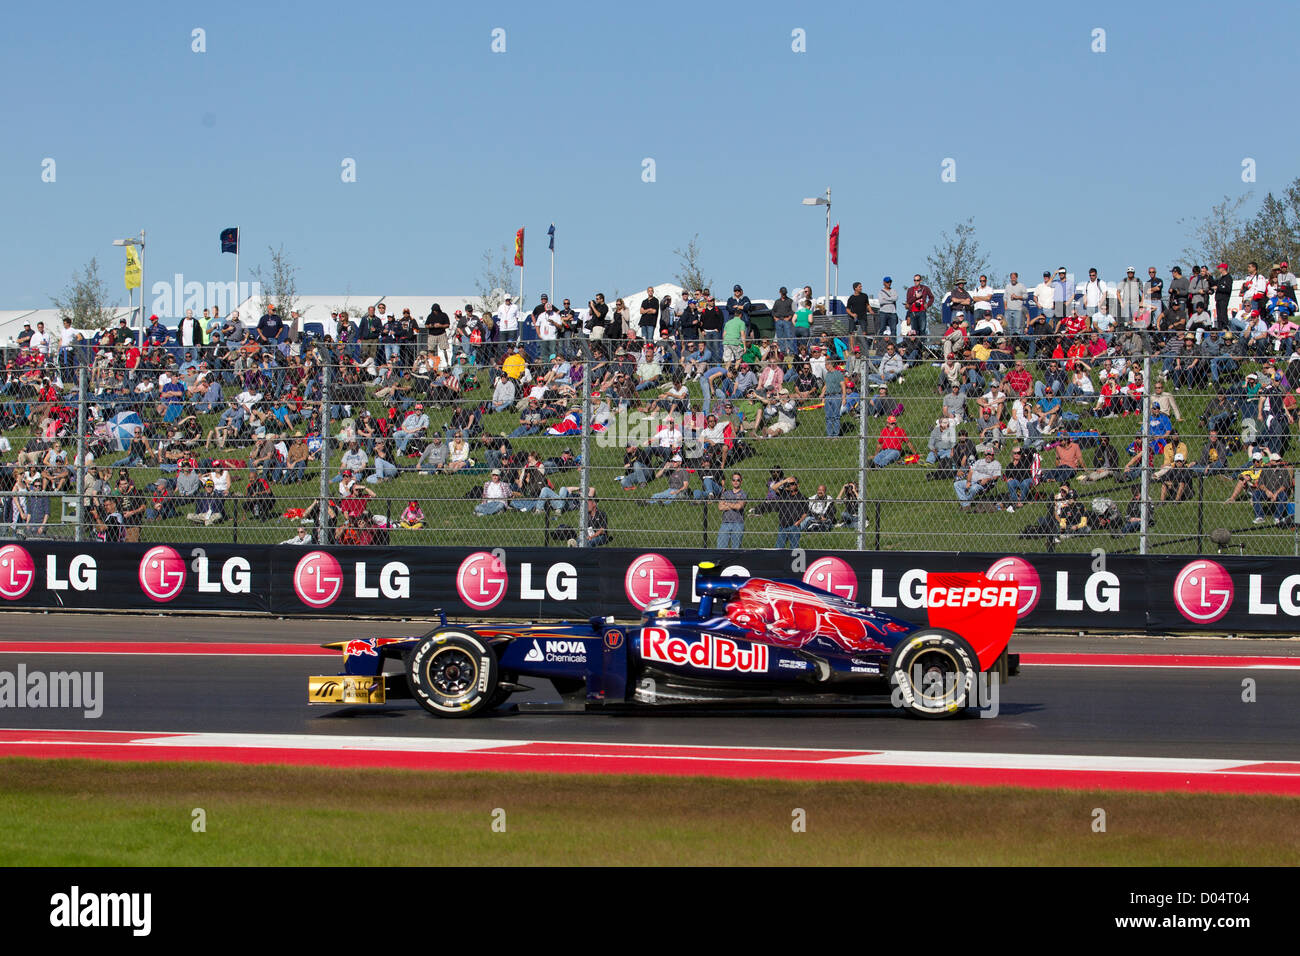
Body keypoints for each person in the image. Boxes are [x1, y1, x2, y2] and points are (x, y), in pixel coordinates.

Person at [716, 472, 746, 549]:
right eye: (734, 480)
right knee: (721, 548)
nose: (735, 482)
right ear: (731, 481)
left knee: (735, 549)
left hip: (738, 524)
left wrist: (727, 503)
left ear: (741, 481)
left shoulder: (743, 494)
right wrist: (733, 505)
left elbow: (739, 506)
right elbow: (720, 507)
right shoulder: (726, 493)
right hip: (725, 523)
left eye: (738, 480)